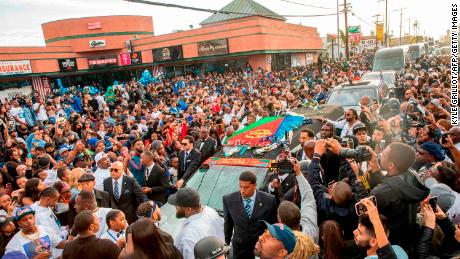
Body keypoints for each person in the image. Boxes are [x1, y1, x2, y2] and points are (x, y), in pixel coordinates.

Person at [369, 142, 430, 253]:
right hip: (406, 241)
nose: (380, 154)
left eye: (383, 154)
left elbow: (366, 216)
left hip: (387, 246)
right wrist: (375, 170)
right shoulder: (412, 177)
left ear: (391, 165)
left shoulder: (381, 193)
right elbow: (392, 182)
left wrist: (359, 182)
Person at [223, 171, 277, 259]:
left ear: (255, 185)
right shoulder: (228, 200)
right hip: (239, 249)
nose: (242, 191)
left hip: (260, 249)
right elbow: (228, 225)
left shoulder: (269, 200)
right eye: (240, 186)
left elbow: (272, 225)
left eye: (246, 187)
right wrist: (226, 245)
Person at [167, 187, 224, 259]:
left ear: (188, 209)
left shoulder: (189, 235)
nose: (175, 207)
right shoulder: (210, 211)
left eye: (177, 205)